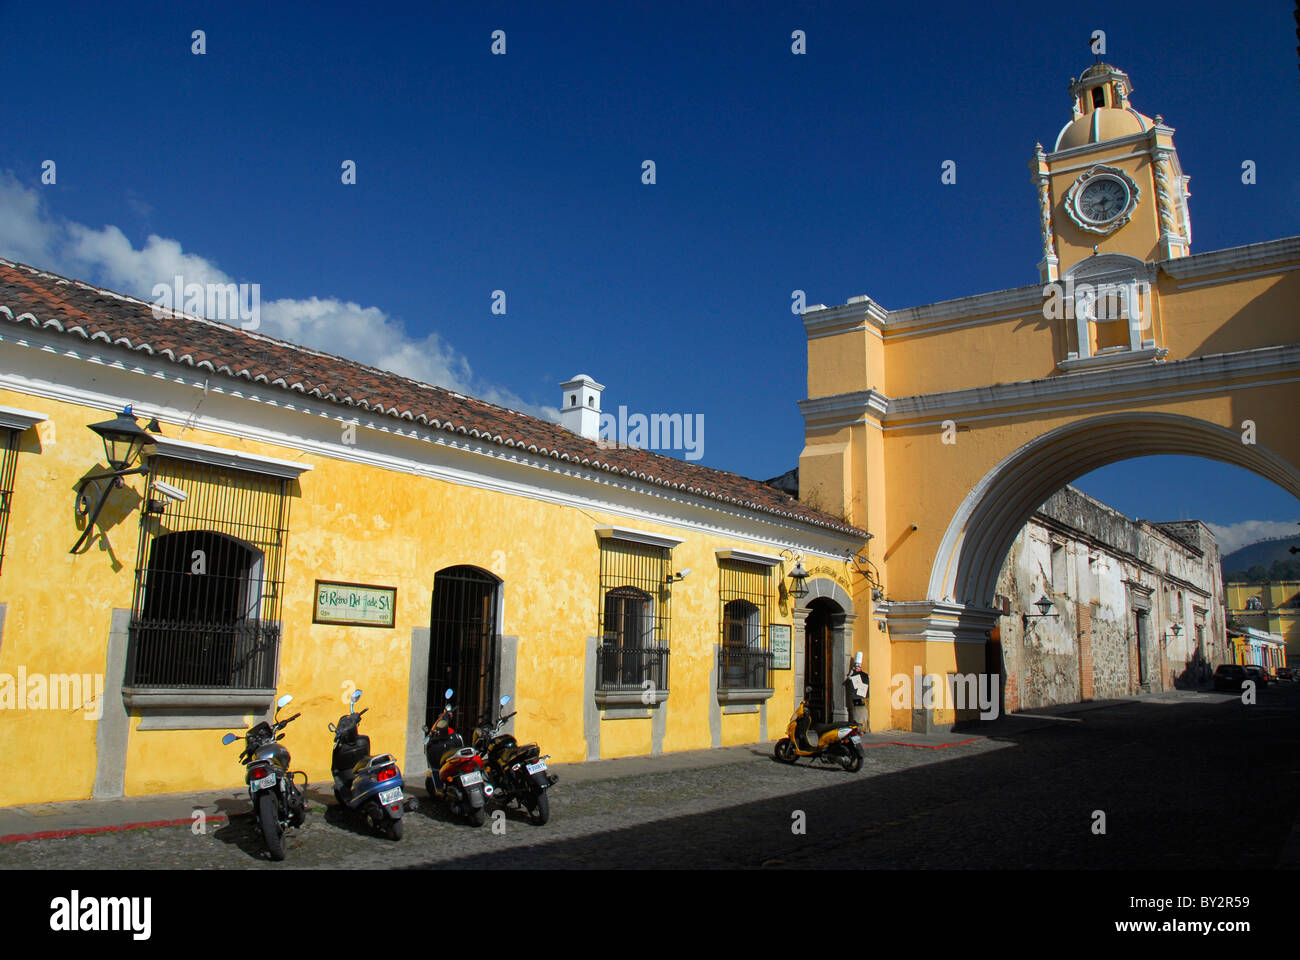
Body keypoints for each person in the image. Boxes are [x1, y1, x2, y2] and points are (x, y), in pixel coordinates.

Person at [845, 657, 868, 729]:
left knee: (860, 701)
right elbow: (849, 677)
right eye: (857, 664)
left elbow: (865, 676)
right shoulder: (853, 671)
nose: (858, 666)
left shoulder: (861, 672)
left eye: (859, 664)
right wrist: (851, 678)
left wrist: (867, 677)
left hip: (860, 691)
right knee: (856, 701)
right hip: (855, 691)